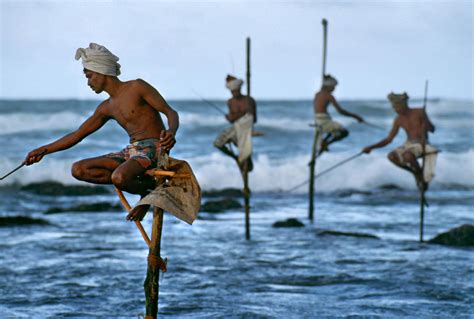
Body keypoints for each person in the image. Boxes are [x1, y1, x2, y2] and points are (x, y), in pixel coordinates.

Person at [24, 43, 179, 221]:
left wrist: (171, 132)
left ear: (101, 71)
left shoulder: (137, 87)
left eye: (89, 76)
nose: (88, 82)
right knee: (79, 169)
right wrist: (43, 151)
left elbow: (170, 112)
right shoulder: (106, 108)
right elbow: (77, 135)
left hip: (154, 148)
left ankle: (147, 196)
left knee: (119, 177)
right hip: (132, 151)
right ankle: (148, 187)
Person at [362, 92, 437, 191]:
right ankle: (416, 173)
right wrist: (371, 147)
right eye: (393, 108)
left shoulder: (419, 112)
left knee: (407, 156)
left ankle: (420, 176)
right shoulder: (398, 120)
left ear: (404, 105)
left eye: (397, 107)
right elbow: (389, 139)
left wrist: (425, 124)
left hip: (421, 143)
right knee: (391, 156)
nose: (395, 110)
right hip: (408, 144)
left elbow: (432, 129)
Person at [213, 75, 256, 171]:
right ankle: (235, 157)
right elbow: (232, 119)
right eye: (232, 91)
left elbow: (253, 118)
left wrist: (237, 116)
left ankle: (245, 162)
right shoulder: (230, 102)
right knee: (217, 143)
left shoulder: (249, 100)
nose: (234, 93)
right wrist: (230, 118)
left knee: (244, 149)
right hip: (235, 128)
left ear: (239, 89)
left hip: (245, 128)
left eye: (235, 91)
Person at [314, 74, 365, 154]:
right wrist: (355, 116)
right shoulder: (329, 96)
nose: (334, 89)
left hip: (318, 120)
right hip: (324, 121)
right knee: (344, 132)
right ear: (329, 86)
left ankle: (324, 142)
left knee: (333, 131)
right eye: (333, 87)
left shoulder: (317, 94)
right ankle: (326, 143)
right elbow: (340, 111)